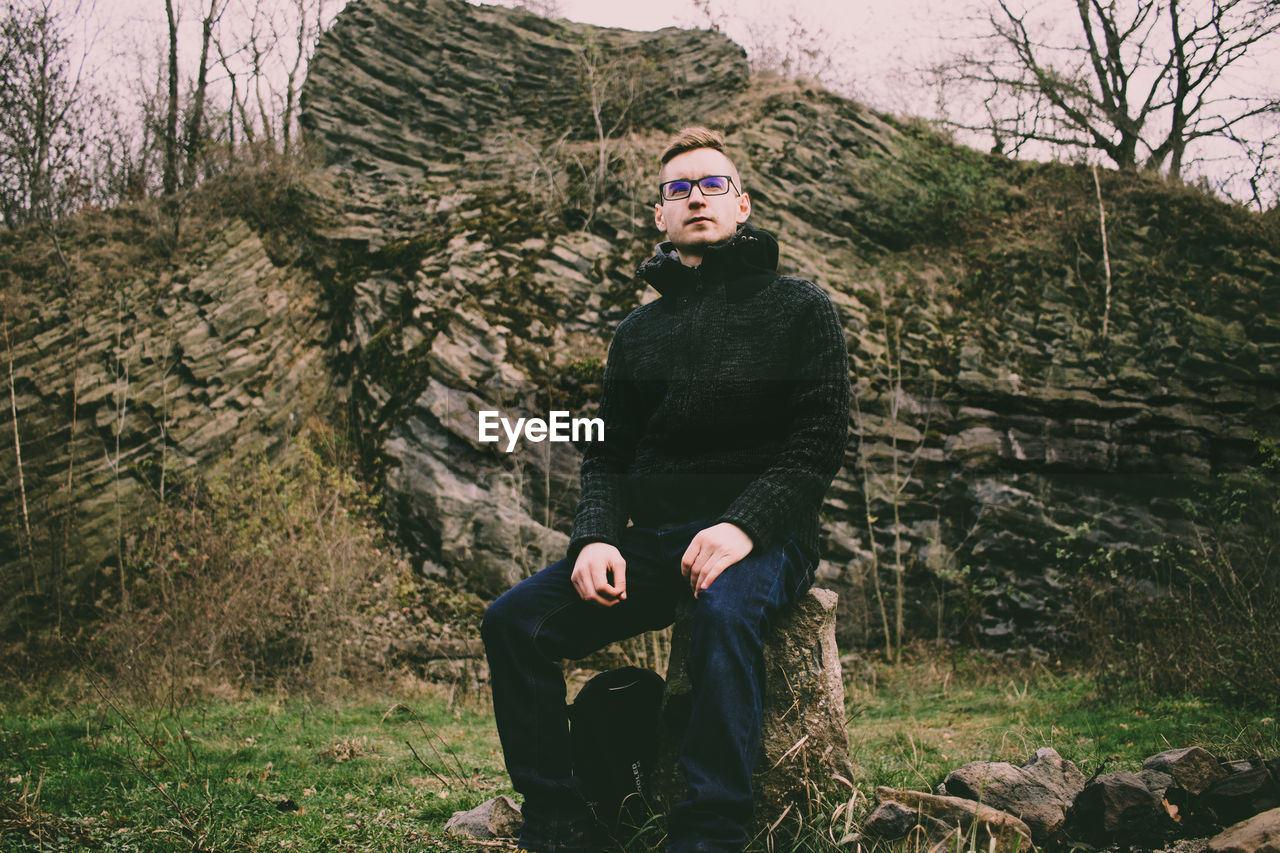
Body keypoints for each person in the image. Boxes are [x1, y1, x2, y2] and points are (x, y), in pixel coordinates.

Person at [481, 126, 851, 853]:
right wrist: (592, 538)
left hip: (765, 536)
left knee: (721, 610)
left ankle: (708, 833)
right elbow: (607, 455)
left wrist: (742, 525)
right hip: (651, 541)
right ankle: (559, 820)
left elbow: (818, 442)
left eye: (713, 185)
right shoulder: (637, 334)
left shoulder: (799, 307)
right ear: (660, 216)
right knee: (513, 621)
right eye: (678, 189)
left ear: (742, 206)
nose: (696, 198)